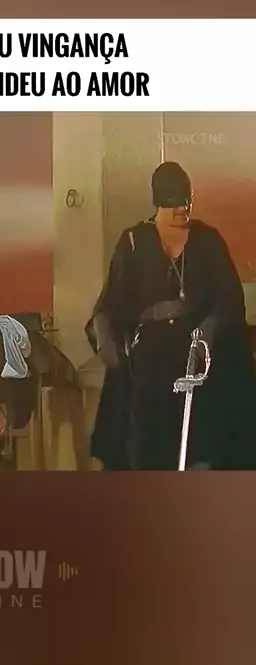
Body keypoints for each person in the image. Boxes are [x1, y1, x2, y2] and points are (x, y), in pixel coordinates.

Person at [86, 161, 256, 470]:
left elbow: (229, 297)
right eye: (173, 201)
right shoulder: (133, 241)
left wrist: (208, 331)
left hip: (199, 356)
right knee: (147, 444)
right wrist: (115, 348)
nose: (182, 208)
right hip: (150, 364)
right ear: (158, 201)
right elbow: (113, 303)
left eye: (186, 201)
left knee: (202, 445)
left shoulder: (207, 239)